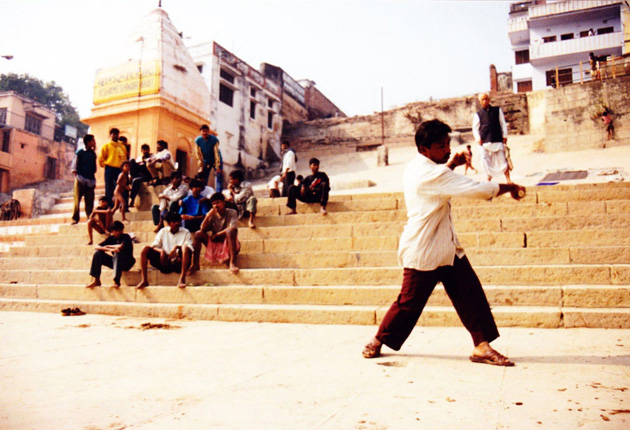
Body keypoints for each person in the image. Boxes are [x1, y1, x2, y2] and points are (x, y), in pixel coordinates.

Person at [362, 119, 526, 367]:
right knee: (408, 303)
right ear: (424, 149)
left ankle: (482, 346)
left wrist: (451, 164)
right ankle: (378, 339)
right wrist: (508, 187)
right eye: (441, 146)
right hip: (424, 249)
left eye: (447, 144)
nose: (447, 150)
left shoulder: (419, 167)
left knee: (471, 294)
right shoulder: (431, 173)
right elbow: (474, 188)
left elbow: (441, 179)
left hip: (446, 248)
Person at [136, 211, 193, 289]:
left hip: (179, 263)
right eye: (174, 222)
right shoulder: (163, 231)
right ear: (169, 223)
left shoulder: (185, 232)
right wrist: (161, 251)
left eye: (178, 221)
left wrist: (177, 248)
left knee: (185, 248)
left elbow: (189, 248)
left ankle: (182, 279)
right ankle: (144, 280)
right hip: (165, 262)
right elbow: (154, 245)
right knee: (144, 249)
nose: (177, 223)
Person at [189, 192, 240, 276]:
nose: (216, 205)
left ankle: (232, 263)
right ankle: (195, 264)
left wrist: (217, 235)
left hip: (230, 244)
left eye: (218, 202)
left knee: (230, 231)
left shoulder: (232, 212)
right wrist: (207, 216)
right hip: (216, 245)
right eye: (214, 203)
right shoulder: (212, 215)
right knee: (198, 234)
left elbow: (232, 228)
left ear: (224, 202)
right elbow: (203, 229)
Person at [472, 93, 512, 183]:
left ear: (489, 100)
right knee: (485, 161)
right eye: (482, 99)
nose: (485, 101)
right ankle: (488, 180)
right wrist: (478, 138)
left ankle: (508, 180)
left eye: (486, 99)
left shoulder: (497, 110)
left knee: (503, 160)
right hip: (484, 141)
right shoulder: (478, 114)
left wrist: (505, 135)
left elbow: (502, 124)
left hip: (497, 138)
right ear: (480, 102)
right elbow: (475, 128)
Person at [85, 221, 135, 288]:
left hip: (127, 262)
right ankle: (96, 280)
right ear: (112, 231)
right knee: (97, 254)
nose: (118, 232)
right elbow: (97, 247)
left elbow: (120, 247)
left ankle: (116, 281)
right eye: (116, 230)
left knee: (117, 253)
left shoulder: (126, 237)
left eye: (120, 230)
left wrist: (107, 246)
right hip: (116, 262)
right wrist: (109, 249)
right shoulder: (111, 238)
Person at [71, 134, 97, 225]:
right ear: (88, 142)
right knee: (77, 200)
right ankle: (75, 218)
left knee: (90, 200)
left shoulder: (93, 154)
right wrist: (77, 177)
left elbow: (94, 168)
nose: (94, 142)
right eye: (93, 140)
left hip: (90, 180)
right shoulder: (80, 152)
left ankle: (89, 217)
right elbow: (74, 166)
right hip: (80, 178)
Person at [99, 128, 128, 208]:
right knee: (109, 188)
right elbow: (101, 159)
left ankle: (124, 207)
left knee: (121, 188)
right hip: (109, 168)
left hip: (119, 169)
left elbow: (125, 158)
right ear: (110, 135)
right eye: (114, 134)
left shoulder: (122, 146)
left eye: (117, 134)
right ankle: (110, 206)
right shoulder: (106, 146)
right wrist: (107, 165)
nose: (115, 136)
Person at [194, 124, 223, 191]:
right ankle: (203, 191)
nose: (204, 133)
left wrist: (218, 166)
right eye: (203, 131)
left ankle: (219, 193)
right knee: (204, 177)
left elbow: (216, 153)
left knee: (219, 176)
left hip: (216, 159)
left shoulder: (214, 139)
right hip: (206, 161)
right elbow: (198, 154)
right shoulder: (198, 140)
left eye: (206, 131)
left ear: (208, 132)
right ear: (200, 132)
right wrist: (200, 166)